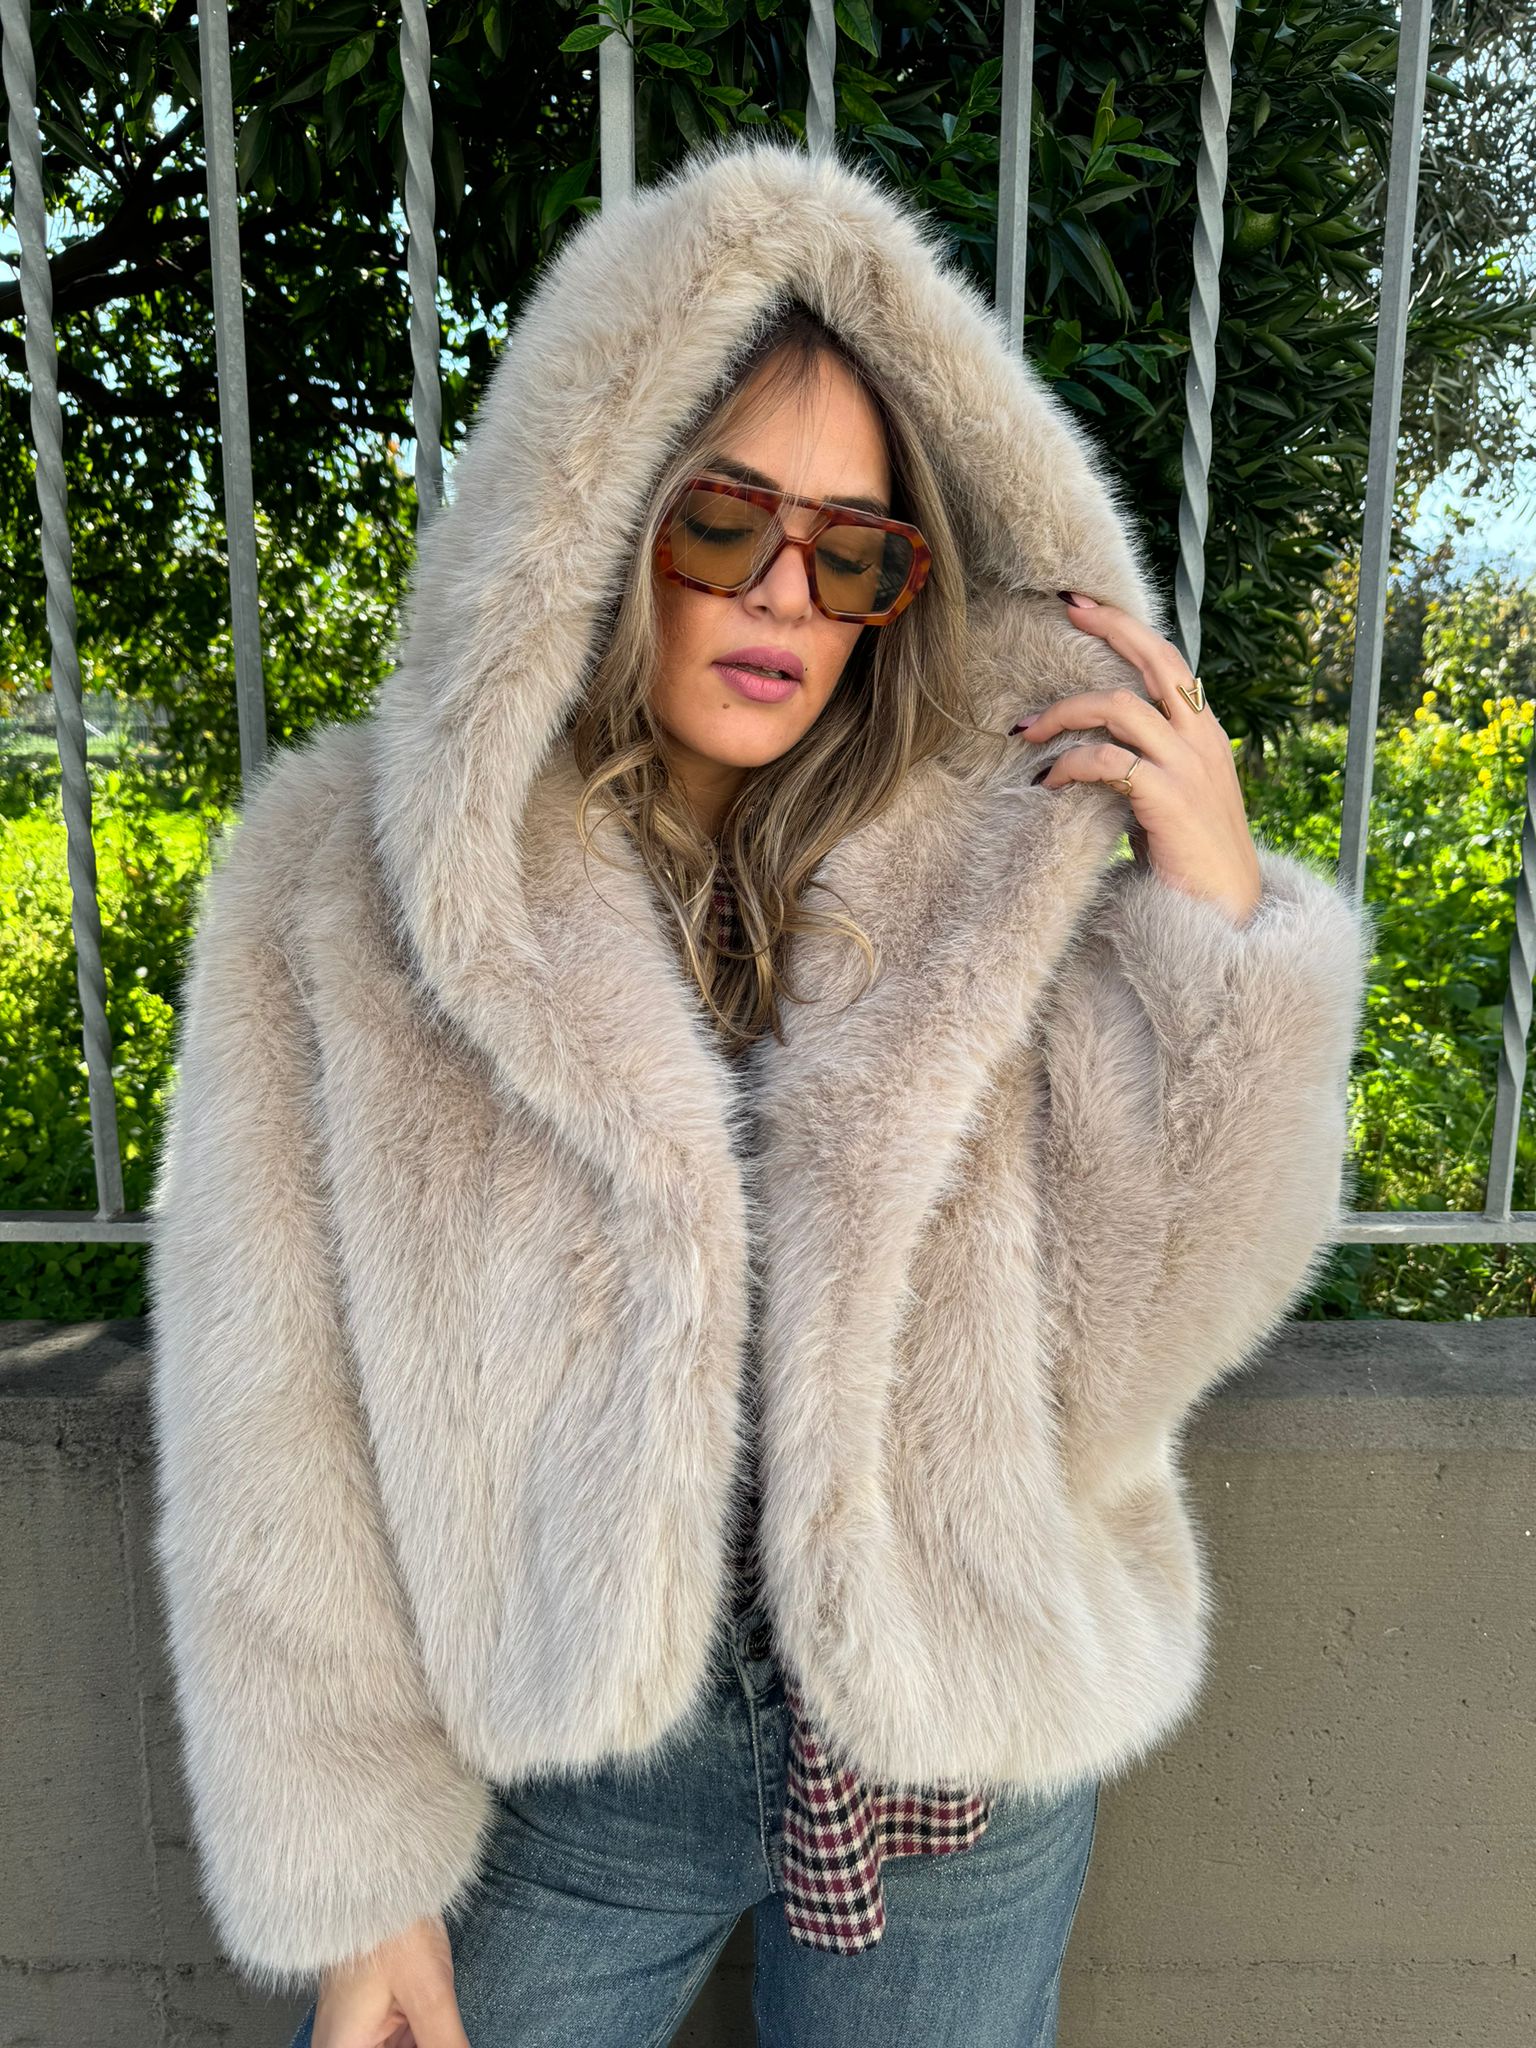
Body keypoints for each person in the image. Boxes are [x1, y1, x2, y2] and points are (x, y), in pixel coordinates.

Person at [146, 134, 1373, 2048]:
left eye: (855, 550)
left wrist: (1213, 931)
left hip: (958, 1748)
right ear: (600, 511)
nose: (786, 592)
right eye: (725, 522)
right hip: (578, 1779)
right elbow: (270, 1407)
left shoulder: (999, 867)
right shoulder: (348, 889)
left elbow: (1143, 1342)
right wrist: (359, 1884)